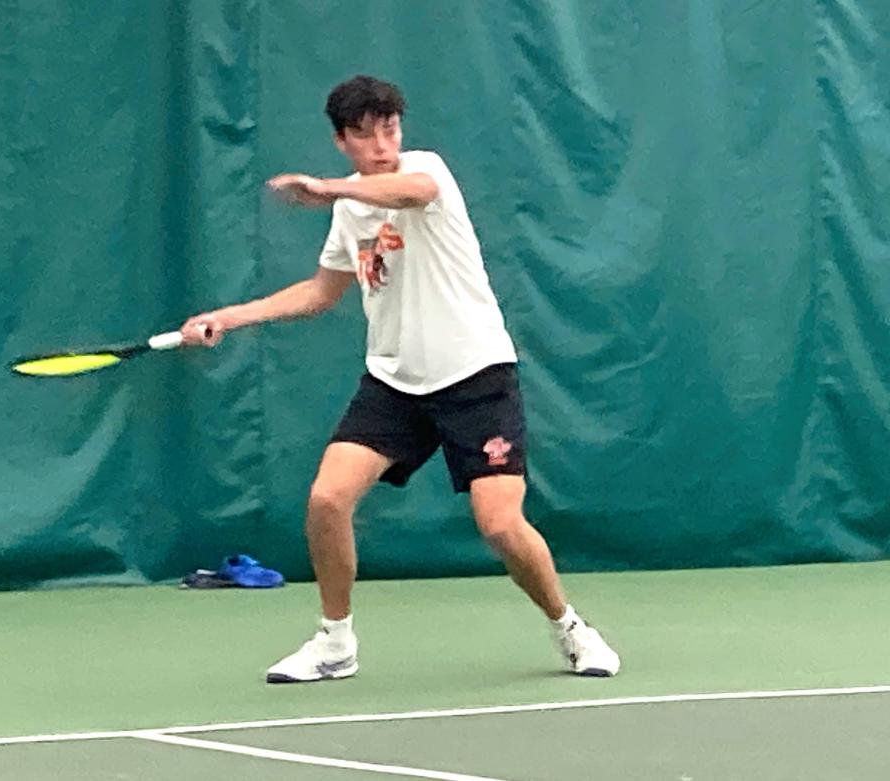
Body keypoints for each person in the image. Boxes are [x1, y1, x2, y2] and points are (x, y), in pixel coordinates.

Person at [181, 75, 620, 683]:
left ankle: (569, 627)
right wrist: (227, 318)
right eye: (365, 135)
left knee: (500, 524)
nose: (383, 144)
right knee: (327, 499)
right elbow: (319, 292)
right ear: (341, 140)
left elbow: (411, 192)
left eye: (389, 129)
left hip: (475, 375)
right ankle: (335, 644)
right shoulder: (348, 216)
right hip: (394, 382)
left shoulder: (424, 170)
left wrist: (330, 189)